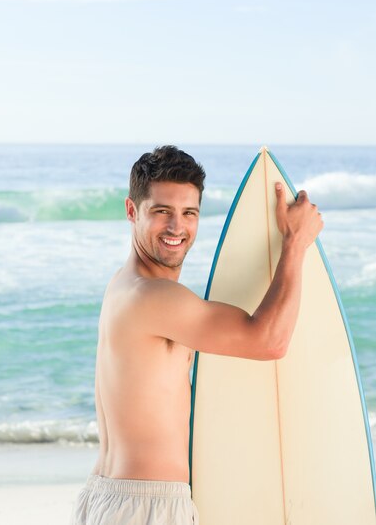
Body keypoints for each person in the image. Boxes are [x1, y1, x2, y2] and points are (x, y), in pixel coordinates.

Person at [70, 145, 323, 525]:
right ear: (131, 211)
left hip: (111, 496)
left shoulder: (124, 286)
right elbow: (270, 340)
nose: (177, 227)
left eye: (189, 213)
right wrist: (296, 243)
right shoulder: (154, 297)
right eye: (161, 212)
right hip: (147, 506)